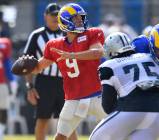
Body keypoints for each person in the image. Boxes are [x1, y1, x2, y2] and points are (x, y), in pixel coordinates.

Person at [23, 3, 107, 140]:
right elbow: (39, 68)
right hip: (73, 99)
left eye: (81, 18)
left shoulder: (92, 33)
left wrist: (73, 55)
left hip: (97, 96)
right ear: (66, 21)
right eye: (76, 18)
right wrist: (27, 66)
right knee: (61, 137)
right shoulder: (54, 45)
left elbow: (98, 52)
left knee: (118, 130)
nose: (80, 20)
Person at [90, 32, 159, 140]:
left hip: (131, 109)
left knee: (95, 138)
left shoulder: (108, 66)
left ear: (110, 51)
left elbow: (108, 105)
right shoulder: (150, 58)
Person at [23, 3, 77, 140]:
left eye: (57, 15)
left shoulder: (68, 34)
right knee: (42, 120)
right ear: (45, 16)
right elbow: (27, 63)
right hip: (44, 82)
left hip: (66, 82)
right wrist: (30, 87)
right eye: (52, 15)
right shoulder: (36, 35)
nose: (55, 18)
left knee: (68, 122)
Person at [0, 37, 18, 139]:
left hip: (1, 82)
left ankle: (0, 132)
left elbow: (7, 63)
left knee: (3, 109)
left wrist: (12, 80)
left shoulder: (4, 42)